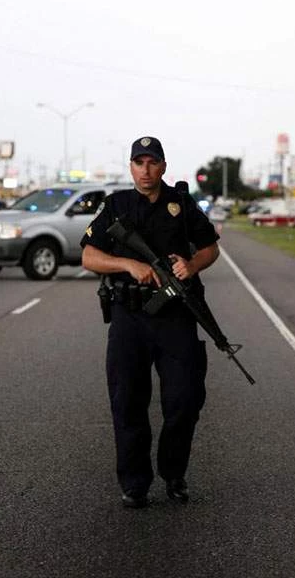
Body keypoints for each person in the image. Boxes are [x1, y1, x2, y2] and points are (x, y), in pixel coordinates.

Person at [81, 136, 220, 509]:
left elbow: (211, 247)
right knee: (127, 401)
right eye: (139, 162)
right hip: (129, 317)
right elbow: (89, 256)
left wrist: (191, 265)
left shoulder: (182, 204)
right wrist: (128, 264)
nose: (145, 170)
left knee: (185, 398)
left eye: (152, 162)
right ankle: (134, 483)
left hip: (176, 316)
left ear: (163, 166)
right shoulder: (116, 206)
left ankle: (173, 473)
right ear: (131, 167)